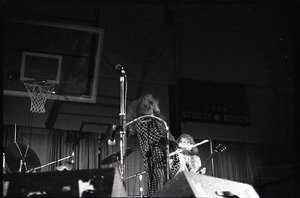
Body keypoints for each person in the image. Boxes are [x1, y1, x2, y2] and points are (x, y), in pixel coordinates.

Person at [127, 94, 180, 197]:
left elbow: (168, 137)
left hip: (165, 163)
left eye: (151, 105)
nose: (151, 108)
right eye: (148, 106)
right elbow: (155, 139)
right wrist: (171, 143)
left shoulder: (158, 122)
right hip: (156, 164)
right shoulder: (142, 122)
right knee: (159, 192)